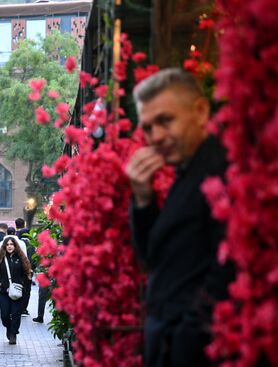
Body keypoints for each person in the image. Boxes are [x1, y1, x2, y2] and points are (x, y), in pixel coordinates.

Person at [125, 68, 235, 367]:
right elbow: (152, 259)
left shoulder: (220, 172)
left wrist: (180, 344)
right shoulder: (188, 171)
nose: (156, 136)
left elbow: (226, 276)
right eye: (147, 128)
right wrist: (143, 198)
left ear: (200, 111)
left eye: (165, 121)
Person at [0, 235, 32, 345]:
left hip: (17, 292)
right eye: (7, 244)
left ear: (15, 246)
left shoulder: (20, 258)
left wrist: (22, 285)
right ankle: (8, 327)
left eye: (11, 244)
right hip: (4, 292)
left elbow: (26, 273)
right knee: (4, 315)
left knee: (16, 314)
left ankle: (13, 334)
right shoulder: (0, 258)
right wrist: (1, 284)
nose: (9, 246)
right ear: (4, 246)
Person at [15, 217, 34, 315]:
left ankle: (18, 307)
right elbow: (34, 257)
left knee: (19, 287)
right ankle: (24, 309)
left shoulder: (16, 242)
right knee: (27, 289)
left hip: (19, 270)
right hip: (29, 270)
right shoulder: (32, 243)